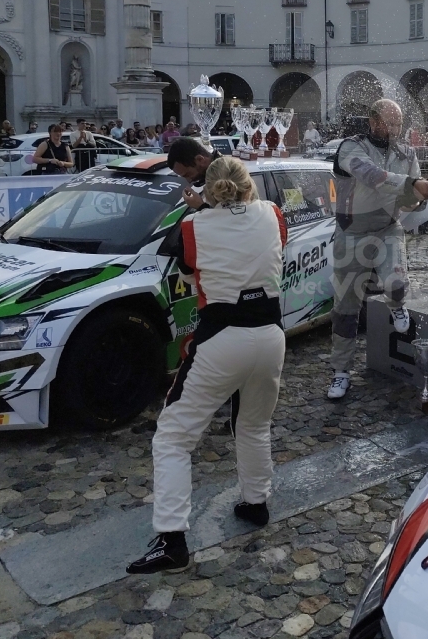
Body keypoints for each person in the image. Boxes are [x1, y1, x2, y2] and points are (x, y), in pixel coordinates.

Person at [128, 157, 289, 574]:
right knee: (254, 425)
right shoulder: (272, 213)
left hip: (222, 336)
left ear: (208, 188)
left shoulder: (193, 225)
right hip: (270, 334)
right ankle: (256, 503)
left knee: (173, 438)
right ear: (247, 185)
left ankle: (171, 539)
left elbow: (185, 262)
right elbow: (261, 235)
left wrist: (196, 208)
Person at [327, 100, 428, 400]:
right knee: (346, 310)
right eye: (389, 123)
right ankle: (340, 371)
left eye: (398, 123)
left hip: (387, 228)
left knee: (397, 282)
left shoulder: (407, 153)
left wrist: (419, 198)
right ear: (373, 121)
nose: (395, 129)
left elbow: (407, 199)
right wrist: (412, 183)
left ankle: (396, 303)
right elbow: (372, 176)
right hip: (351, 234)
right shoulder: (351, 147)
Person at [167, 136, 223, 209]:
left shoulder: (230, 177)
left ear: (200, 159)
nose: (189, 180)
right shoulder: (216, 174)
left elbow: (231, 217)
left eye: (188, 174)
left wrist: (201, 207)